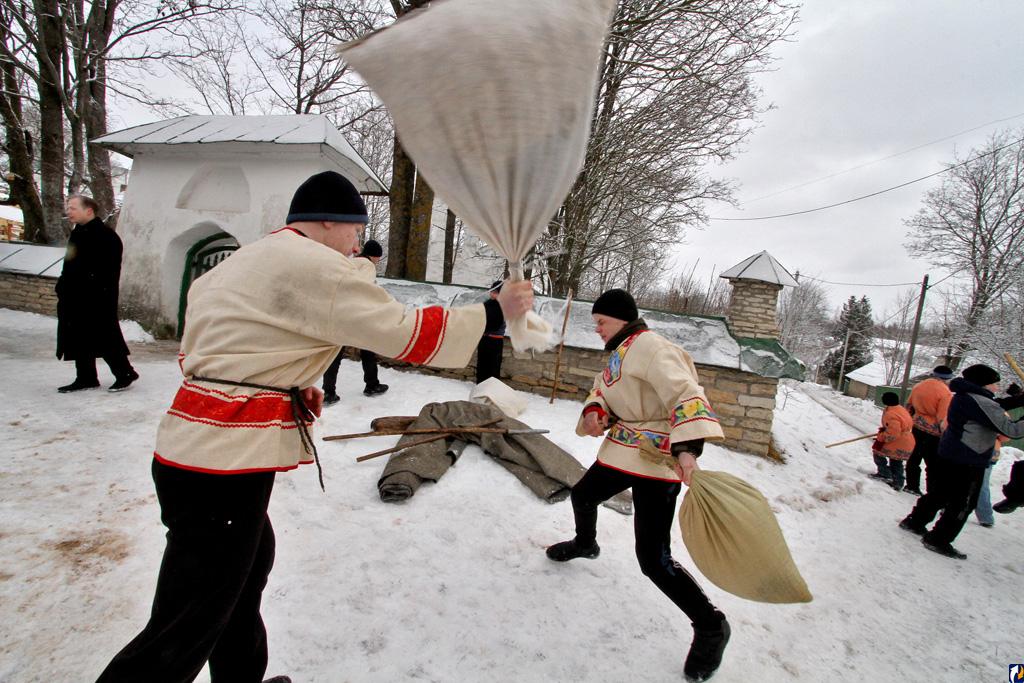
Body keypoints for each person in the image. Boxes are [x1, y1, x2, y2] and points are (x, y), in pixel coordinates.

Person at [95, 171, 534, 683]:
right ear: (330, 220)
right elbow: (404, 335)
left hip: (193, 452)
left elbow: (209, 354)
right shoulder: (318, 266)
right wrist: (492, 309)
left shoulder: (238, 264)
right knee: (187, 618)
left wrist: (284, 383)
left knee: (244, 573)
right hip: (222, 463)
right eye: (355, 230)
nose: (356, 243)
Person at [544, 289, 729, 683]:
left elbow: (686, 393)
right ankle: (586, 543)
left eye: (601, 322)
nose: (596, 328)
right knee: (583, 494)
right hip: (622, 450)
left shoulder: (652, 347)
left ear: (623, 318)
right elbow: (604, 391)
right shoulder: (621, 350)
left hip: (657, 460)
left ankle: (711, 626)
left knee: (653, 559)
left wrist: (687, 450)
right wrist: (597, 412)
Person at [899, 364, 1024, 560]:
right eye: (994, 384)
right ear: (983, 384)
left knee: (940, 493)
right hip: (969, 458)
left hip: (952, 452)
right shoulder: (981, 402)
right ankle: (938, 539)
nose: (997, 388)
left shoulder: (964, 394)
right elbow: (1011, 430)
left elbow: (994, 405)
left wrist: (1018, 400)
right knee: (963, 502)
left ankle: (914, 521)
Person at [55, 195, 139, 393]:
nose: (69, 211)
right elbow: (69, 263)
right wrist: (62, 285)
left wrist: (91, 289)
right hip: (74, 296)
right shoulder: (77, 234)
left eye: (73, 208)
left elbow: (108, 271)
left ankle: (125, 373)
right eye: (69, 208)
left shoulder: (106, 236)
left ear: (89, 211)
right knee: (78, 335)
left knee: (105, 336)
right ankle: (86, 377)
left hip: (97, 297)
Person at [321, 239, 388, 404]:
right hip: (356, 314)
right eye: (378, 257)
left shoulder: (350, 263)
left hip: (338, 312)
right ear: (375, 256)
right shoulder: (368, 266)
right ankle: (371, 385)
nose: (378, 260)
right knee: (368, 350)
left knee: (335, 353)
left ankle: (328, 393)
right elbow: (361, 288)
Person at [901, 365, 953, 495]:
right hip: (933, 434)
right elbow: (943, 417)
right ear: (947, 378)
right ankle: (932, 492)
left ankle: (912, 485)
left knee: (914, 458)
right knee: (933, 465)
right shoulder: (945, 393)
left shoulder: (919, 386)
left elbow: (909, 406)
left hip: (916, 426)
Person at [870, 392, 914, 490]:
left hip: (898, 441)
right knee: (896, 461)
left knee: (878, 453)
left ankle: (885, 474)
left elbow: (893, 433)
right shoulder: (900, 409)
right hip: (907, 440)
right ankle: (898, 482)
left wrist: (881, 437)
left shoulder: (891, 414)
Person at [475, 280, 506, 384]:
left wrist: (483, 325)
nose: (492, 294)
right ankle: (480, 384)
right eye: (491, 291)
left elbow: (495, 324)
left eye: (495, 292)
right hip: (484, 338)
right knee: (482, 363)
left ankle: (491, 388)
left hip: (495, 341)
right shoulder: (487, 304)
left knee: (493, 366)